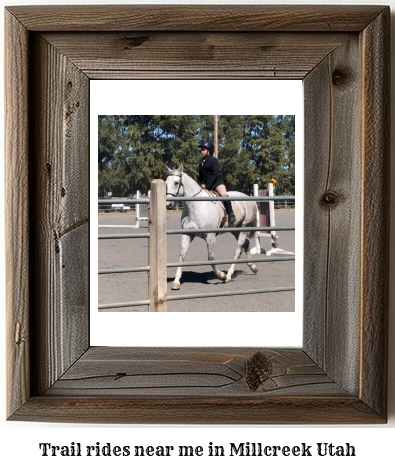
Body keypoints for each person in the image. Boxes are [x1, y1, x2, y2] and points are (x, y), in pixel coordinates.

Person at [197, 140, 236, 223]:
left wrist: (206, 185)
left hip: (216, 182)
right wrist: (199, 184)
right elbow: (200, 176)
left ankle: (231, 214)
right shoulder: (201, 162)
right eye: (201, 150)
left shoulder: (213, 160)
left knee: (224, 194)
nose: (201, 151)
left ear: (209, 151)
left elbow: (215, 174)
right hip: (206, 184)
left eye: (203, 149)